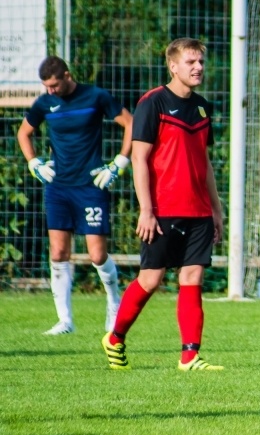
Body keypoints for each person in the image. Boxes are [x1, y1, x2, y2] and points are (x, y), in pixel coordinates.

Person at [101, 38, 224, 371]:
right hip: (163, 208)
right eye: (190, 62)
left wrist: (216, 209)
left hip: (198, 209)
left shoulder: (202, 107)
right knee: (151, 280)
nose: (198, 67)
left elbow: (205, 161)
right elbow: (139, 159)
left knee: (192, 277)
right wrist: (146, 209)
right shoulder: (152, 103)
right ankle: (115, 337)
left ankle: (189, 356)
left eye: (200, 62)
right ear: (173, 66)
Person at [17, 56, 133, 335]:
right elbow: (24, 133)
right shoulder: (45, 103)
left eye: (55, 85)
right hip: (58, 187)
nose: (51, 91)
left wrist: (119, 162)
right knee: (58, 252)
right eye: (47, 86)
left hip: (91, 185)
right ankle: (64, 320)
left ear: (67, 76)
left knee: (97, 254)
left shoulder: (96, 96)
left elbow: (130, 123)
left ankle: (114, 303)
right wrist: (34, 163)